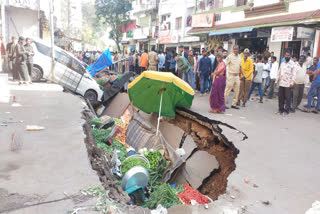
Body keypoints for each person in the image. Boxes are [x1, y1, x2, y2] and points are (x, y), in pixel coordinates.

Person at [276, 50, 296, 116]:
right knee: (280, 97)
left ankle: (286, 110)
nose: (287, 56)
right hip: (281, 83)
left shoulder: (292, 64)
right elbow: (279, 72)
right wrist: (276, 81)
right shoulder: (282, 63)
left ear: (290, 56)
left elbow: (294, 74)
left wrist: (292, 82)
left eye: (288, 55)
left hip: (288, 84)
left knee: (287, 98)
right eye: (286, 55)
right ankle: (281, 109)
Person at [224, 45, 242, 109]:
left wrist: (243, 74)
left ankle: (234, 104)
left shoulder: (240, 57)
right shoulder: (230, 56)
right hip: (231, 75)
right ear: (232, 50)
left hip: (237, 76)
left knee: (237, 91)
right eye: (234, 49)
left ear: (238, 49)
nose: (235, 50)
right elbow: (224, 64)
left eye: (237, 49)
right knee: (227, 90)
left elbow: (240, 66)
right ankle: (224, 103)